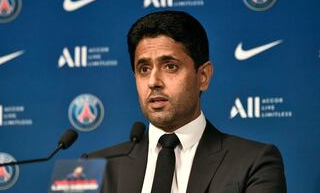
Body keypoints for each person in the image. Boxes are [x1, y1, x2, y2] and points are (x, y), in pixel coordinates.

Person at [88, 10, 286, 193]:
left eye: (170, 66)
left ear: (203, 76)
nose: (153, 82)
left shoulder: (253, 162)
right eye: (144, 69)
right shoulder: (97, 166)